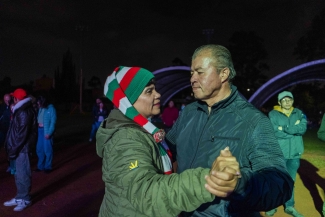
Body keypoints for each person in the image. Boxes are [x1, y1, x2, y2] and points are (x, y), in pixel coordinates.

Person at [166, 44, 294, 217]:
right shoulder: (188, 113)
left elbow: (280, 183)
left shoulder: (253, 121)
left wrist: (240, 184)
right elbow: (168, 148)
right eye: (191, 73)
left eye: (200, 72)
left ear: (224, 74)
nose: (192, 79)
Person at [96, 66, 238, 217]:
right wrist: (207, 181)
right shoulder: (126, 140)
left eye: (155, 89)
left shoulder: (145, 130)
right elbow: (148, 194)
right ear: (128, 101)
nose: (158, 95)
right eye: (149, 91)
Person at [265, 91, 307, 217]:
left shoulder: (299, 113)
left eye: (289, 100)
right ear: (279, 102)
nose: (287, 102)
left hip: (294, 154)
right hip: (279, 154)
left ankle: (289, 206)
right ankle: (271, 205)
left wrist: (283, 128)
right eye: (284, 100)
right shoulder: (273, 114)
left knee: (290, 181)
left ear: (293, 101)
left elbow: (303, 129)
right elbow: (274, 131)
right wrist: (293, 130)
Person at [3, 88, 38, 211]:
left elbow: (21, 135)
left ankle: (26, 199)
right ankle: (20, 196)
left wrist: (13, 150)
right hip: (19, 148)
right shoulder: (20, 110)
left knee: (23, 174)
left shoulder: (24, 112)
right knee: (18, 174)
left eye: (13, 97)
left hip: (22, 148)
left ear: (17, 98)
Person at [35, 95, 57, 173]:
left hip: (46, 130)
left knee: (47, 149)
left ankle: (48, 167)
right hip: (40, 130)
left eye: (39, 102)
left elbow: (53, 122)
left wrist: (49, 133)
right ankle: (40, 166)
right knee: (39, 149)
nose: (38, 104)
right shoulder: (40, 108)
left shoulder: (51, 109)